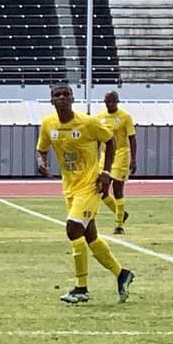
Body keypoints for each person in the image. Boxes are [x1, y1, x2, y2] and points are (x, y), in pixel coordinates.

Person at [36, 83, 134, 304]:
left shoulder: (88, 123)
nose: (61, 98)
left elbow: (110, 141)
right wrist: (41, 162)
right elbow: (41, 148)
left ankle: (81, 288)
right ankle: (122, 274)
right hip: (69, 187)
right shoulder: (47, 124)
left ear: (72, 98)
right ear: (51, 100)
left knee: (73, 229)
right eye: (57, 95)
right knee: (90, 237)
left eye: (65, 94)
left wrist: (106, 172)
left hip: (90, 186)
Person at [98, 91, 137, 234]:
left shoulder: (125, 117)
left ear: (117, 101)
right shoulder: (100, 118)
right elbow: (97, 139)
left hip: (121, 154)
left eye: (112, 101)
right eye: (107, 101)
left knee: (117, 189)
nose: (109, 104)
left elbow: (132, 138)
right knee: (101, 189)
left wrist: (133, 158)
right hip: (105, 155)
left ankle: (119, 225)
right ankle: (121, 213)